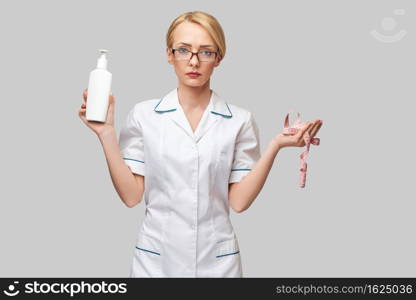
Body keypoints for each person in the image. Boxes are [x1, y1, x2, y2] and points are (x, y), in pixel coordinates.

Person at [78, 11, 322, 278]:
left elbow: (239, 202)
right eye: (183, 50)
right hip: (155, 261)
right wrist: (106, 134)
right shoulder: (144, 115)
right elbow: (131, 196)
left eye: (205, 52)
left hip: (217, 263)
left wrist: (275, 145)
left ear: (218, 58)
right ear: (169, 55)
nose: (193, 61)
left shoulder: (239, 120)